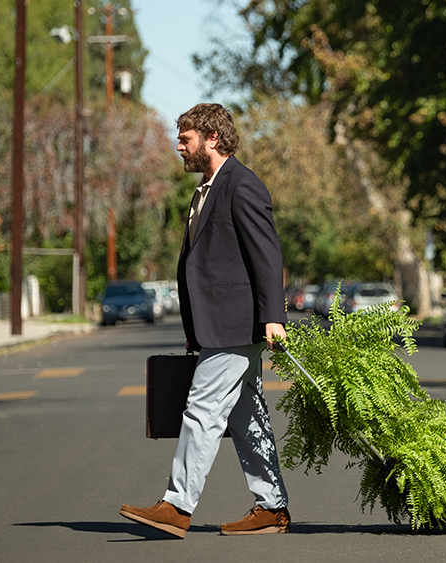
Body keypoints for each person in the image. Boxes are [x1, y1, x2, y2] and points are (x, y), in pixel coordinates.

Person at [120, 103, 290, 539]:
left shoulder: (242, 185)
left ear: (212, 138)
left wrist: (273, 316)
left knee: (201, 411)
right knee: (244, 413)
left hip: (236, 323)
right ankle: (271, 506)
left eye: (186, 138)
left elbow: (267, 255)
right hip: (221, 322)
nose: (179, 146)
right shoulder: (209, 187)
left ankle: (177, 505)